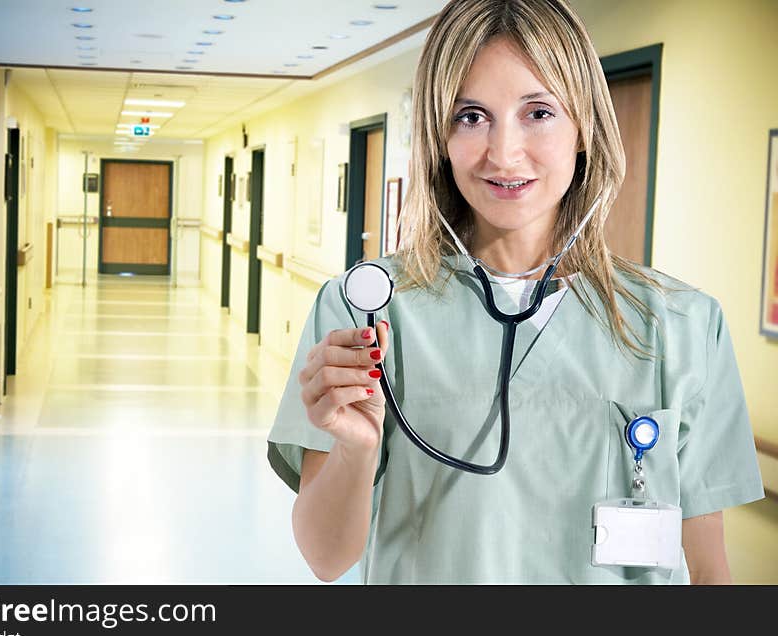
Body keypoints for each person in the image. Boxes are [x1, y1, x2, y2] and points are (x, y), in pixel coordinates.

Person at [266, 0, 764, 584]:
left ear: (586, 129)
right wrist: (355, 448)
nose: (503, 154)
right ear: (438, 138)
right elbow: (326, 559)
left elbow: (710, 572)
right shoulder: (367, 311)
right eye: (471, 116)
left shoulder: (680, 324)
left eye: (539, 112)